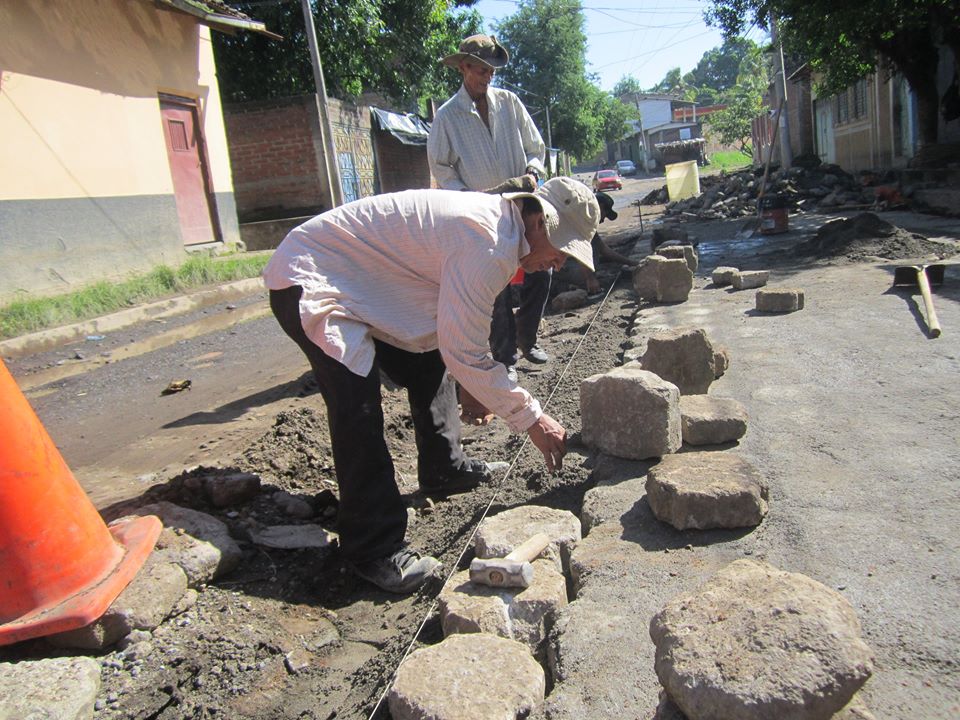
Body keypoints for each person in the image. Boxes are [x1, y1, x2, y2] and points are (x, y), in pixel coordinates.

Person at [262, 177, 600, 594]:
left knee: (426, 359)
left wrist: (473, 377)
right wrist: (534, 419)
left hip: (365, 279)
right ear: (540, 223)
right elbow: (466, 352)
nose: (559, 264)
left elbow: (461, 335)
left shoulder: (503, 232)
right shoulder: (489, 241)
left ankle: (444, 468)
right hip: (312, 275)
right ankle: (372, 548)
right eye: (562, 251)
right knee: (357, 404)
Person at [427, 34, 552, 395]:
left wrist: (532, 171)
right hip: (481, 211)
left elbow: (536, 147)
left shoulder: (509, 103)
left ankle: (529, 338)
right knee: (495, 286)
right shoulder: (448, 116)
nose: (487, 77)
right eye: (481, 70)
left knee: (540, 272)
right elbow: (441, 167)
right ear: (464, 67)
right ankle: (506, 357)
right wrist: (464, 198)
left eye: (491, 72)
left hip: (522, 203)